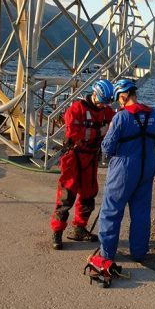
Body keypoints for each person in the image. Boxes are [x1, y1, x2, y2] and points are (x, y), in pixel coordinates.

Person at [98, 79, 155, 263]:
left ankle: (107, 254)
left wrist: (109, 130)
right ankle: (139, 252)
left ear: (122, 96)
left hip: (124, 168)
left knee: (111, 211)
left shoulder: (120, 117)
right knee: (141, 212)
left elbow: (107, 148)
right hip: (147, 166)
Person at [51, 79, 115, 250]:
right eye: (102, 101)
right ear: (95, 94)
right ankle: (57, 232)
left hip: (91, 157)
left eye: (107, 102)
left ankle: (79, 228)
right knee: (66, 195)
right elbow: (73, 132)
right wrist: (98, 132)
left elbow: (115, 122)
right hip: (74, 156)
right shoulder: (76, 109)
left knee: (89, 194)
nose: (104, 105)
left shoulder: (107, 111)